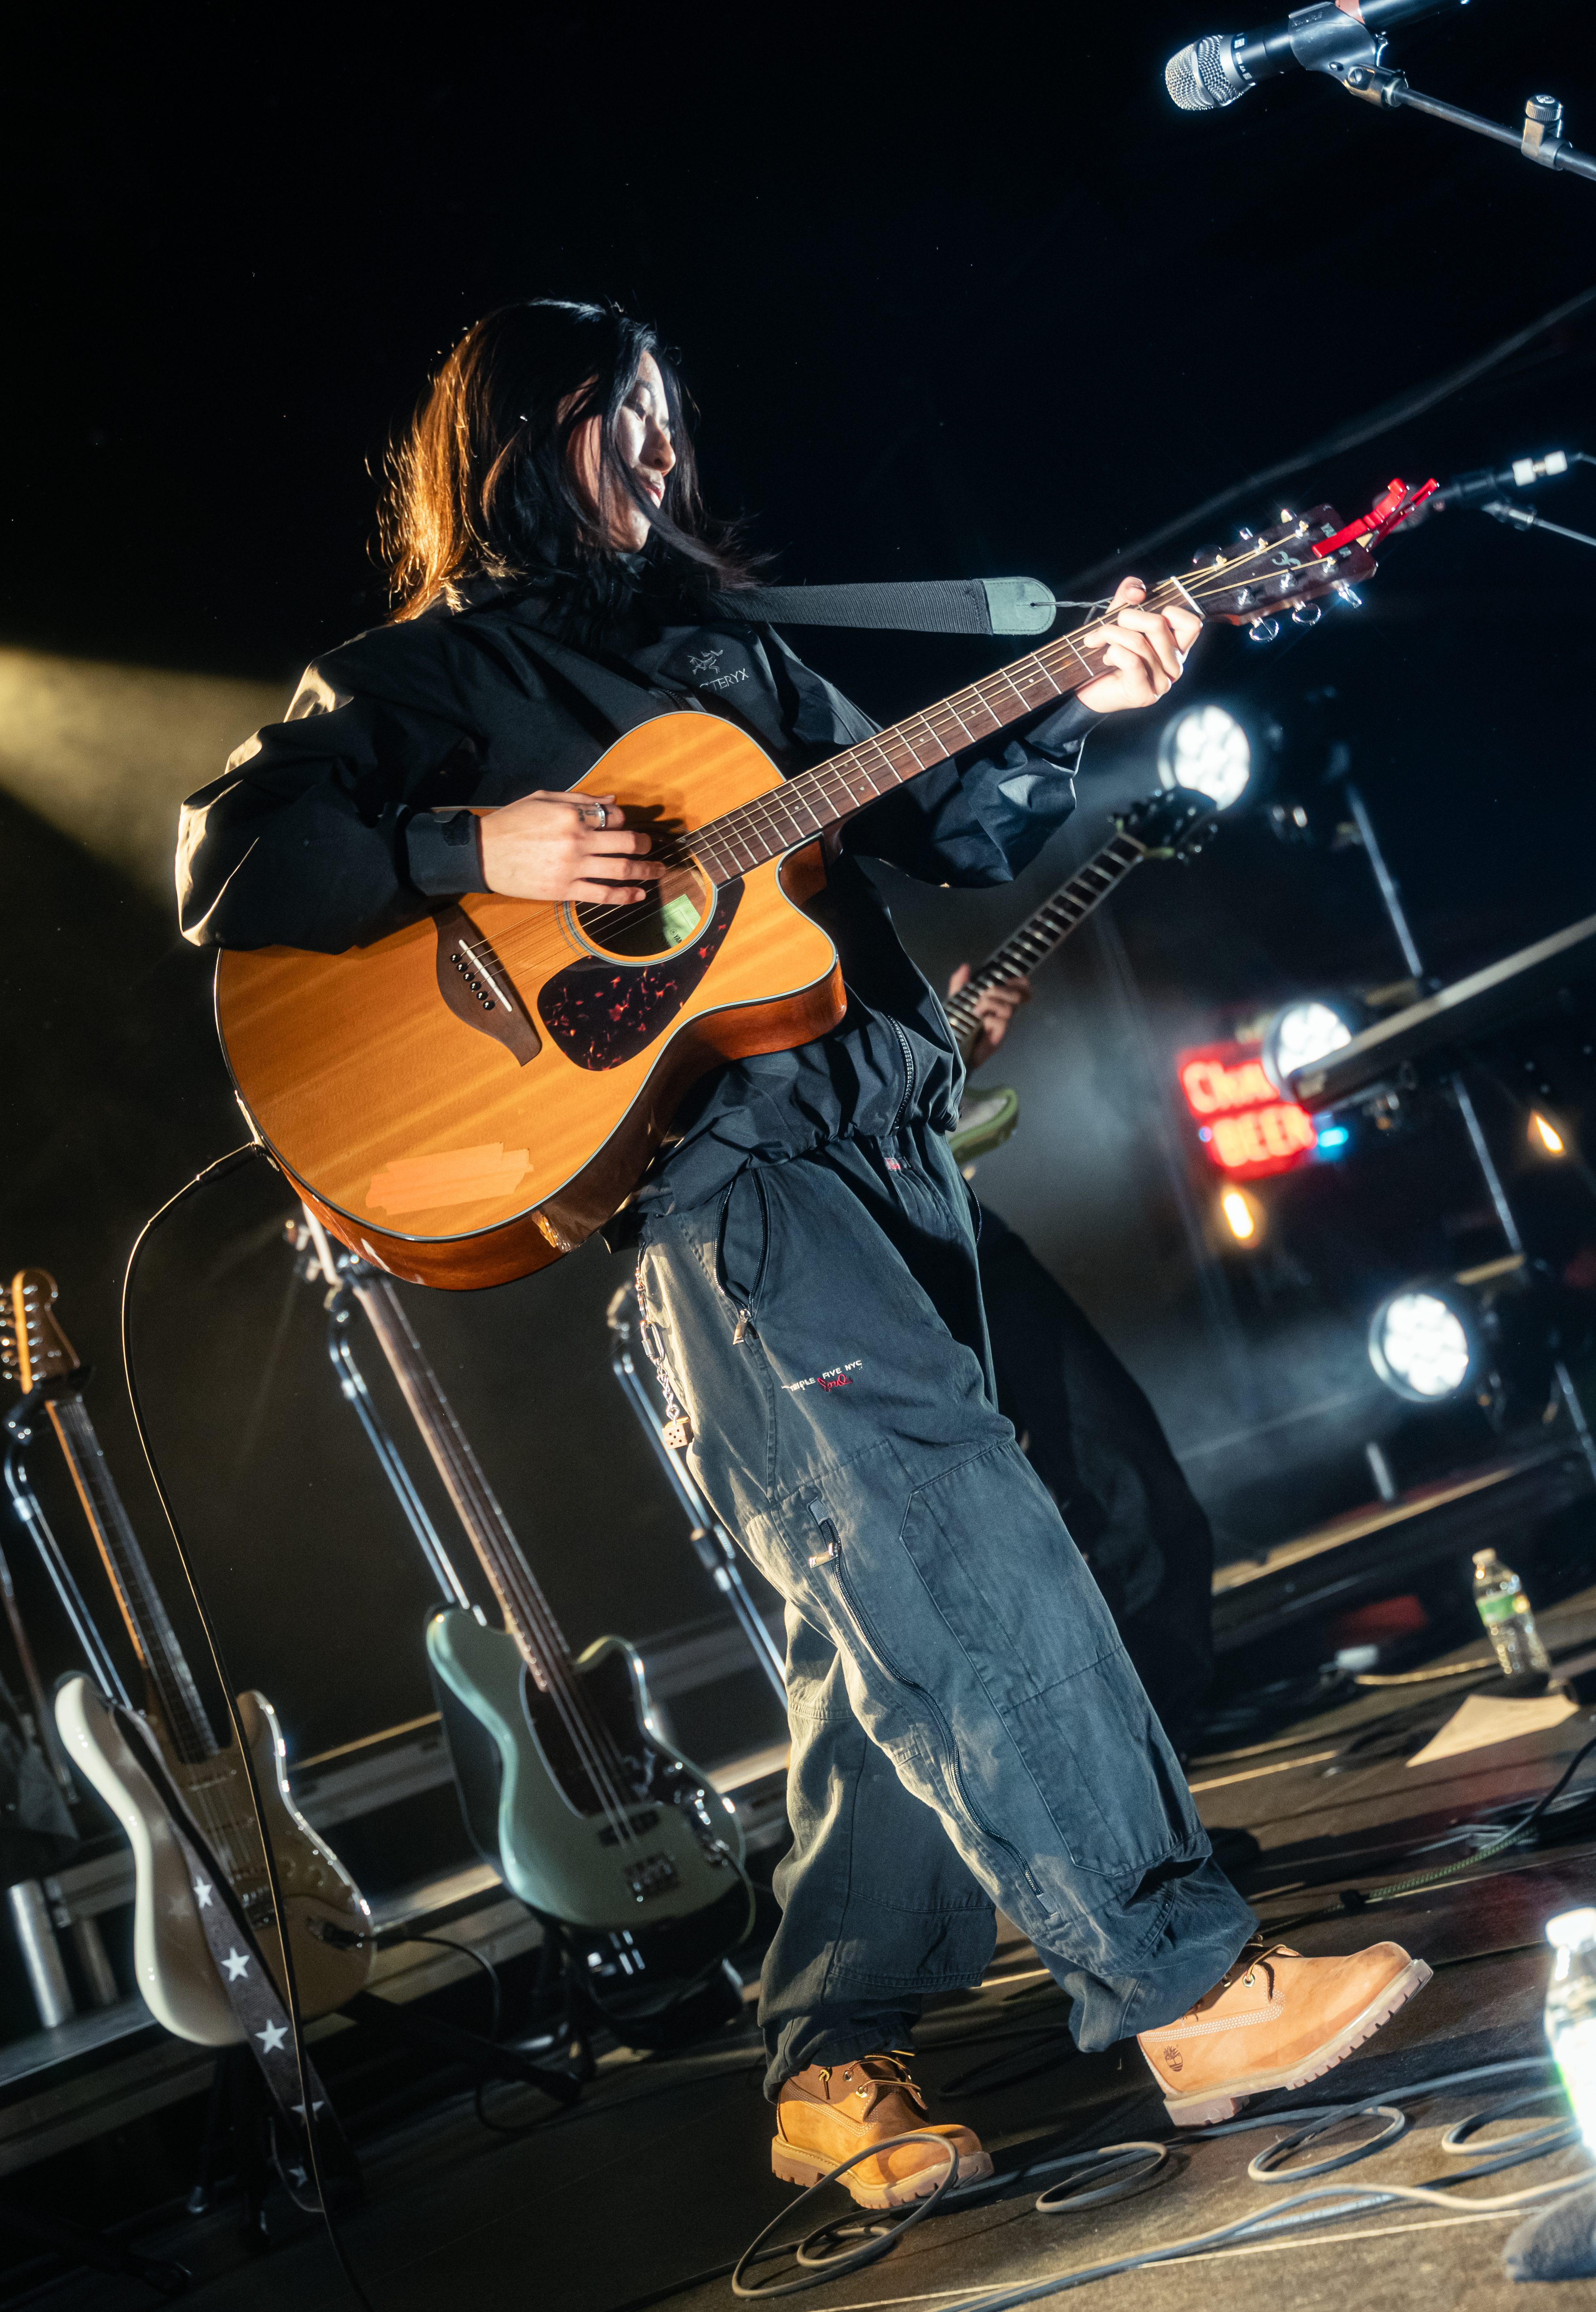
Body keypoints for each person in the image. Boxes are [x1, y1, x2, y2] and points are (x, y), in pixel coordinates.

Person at [177, 301, 1428, 2209]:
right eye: (615, 419)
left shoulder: (725, 653)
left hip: (882, 1148)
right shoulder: (417, 680)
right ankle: (1186, 1989)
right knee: (961, 1547)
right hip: (721, 1190)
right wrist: (476, 853)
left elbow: (945, 821)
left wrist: (1085, 700)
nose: (659, 453)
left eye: (666, 417)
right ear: (512, 441)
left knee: (886, 1614)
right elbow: (231, 859)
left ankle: (836, 2056)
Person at [944, 967, 1218, 1759]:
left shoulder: (847, 917)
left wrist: (949, 1047)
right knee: (965, 1553)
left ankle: (1167, 1756)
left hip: (966, 1232)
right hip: (854, 1278)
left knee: (1137, 1487)